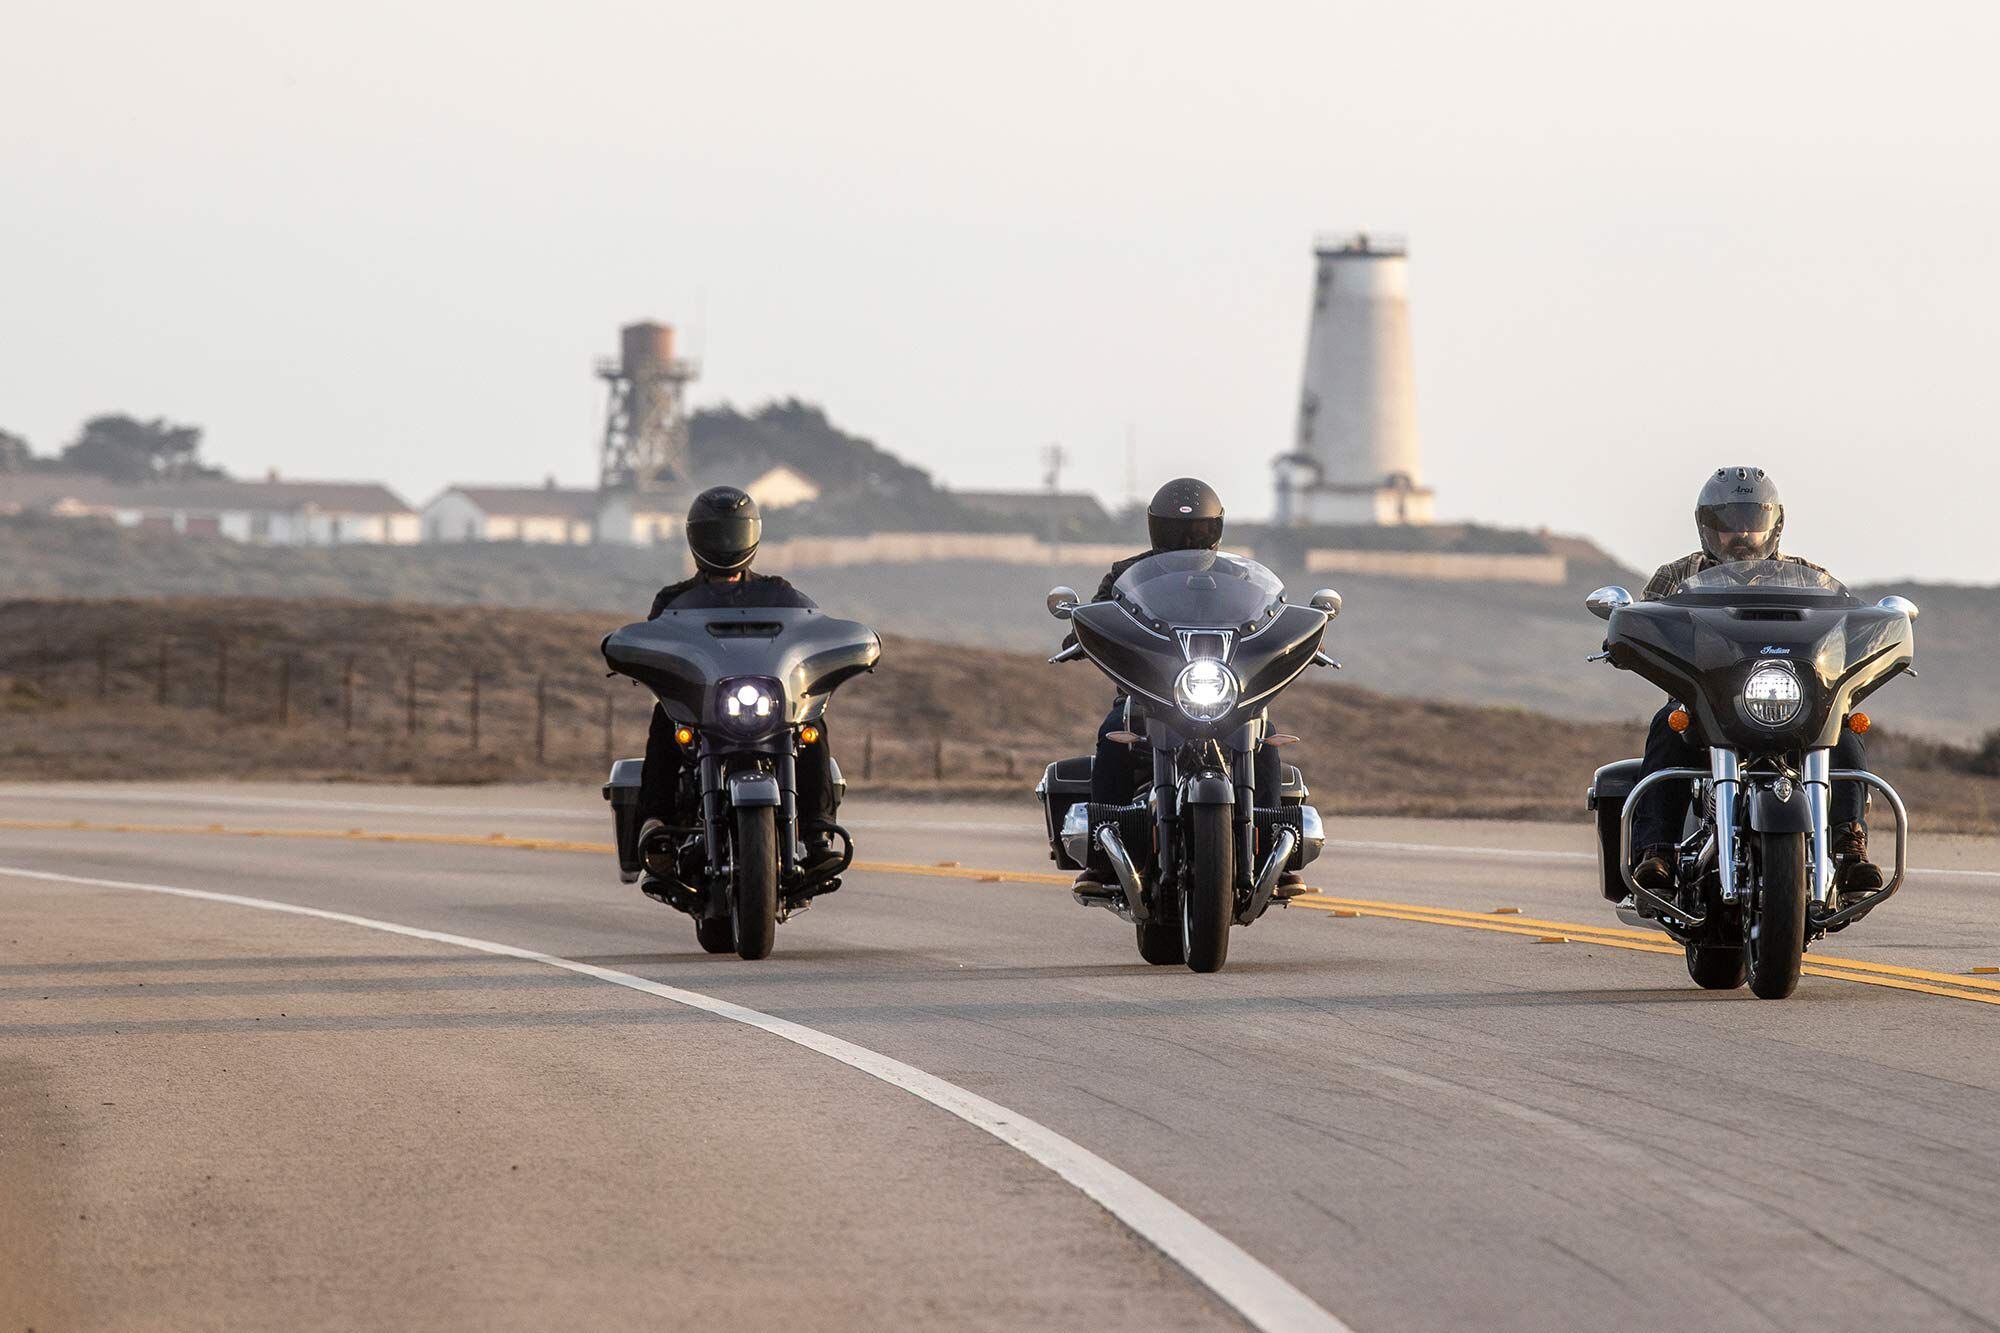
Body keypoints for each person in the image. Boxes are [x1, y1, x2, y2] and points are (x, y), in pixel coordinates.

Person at [1628, 467, 1882, 904]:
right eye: (1727, 525)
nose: (1741, 534)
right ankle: (1657, 852)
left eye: (1752, 521)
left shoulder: (1808, 577)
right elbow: (1643, 620)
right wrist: (1624, 632)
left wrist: (1879, 629)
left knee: (1841, 723)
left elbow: (1846, 623)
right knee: (1667, 726)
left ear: (1774, 524)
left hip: (1793, 703)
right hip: (1706, 703)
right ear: (1707, 527)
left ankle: (1848, 841)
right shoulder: (1675, 576)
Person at [1071, 477, 1289, 891]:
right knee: (1112, 737)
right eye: (1177, 530)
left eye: (1199, 530)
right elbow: (1098, 615)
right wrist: (1081, 633)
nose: (1188, 538)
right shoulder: (1126, 575)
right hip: (1149, 695)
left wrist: (1292, 636)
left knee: (1264, 736)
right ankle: (1102, 858)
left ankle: (1273, 846)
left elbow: (1269, 616)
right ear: (1158, 529)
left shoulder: (1241, 579)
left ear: (1215, 530)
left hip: (1225, 694)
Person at [635, 486, 840, 883]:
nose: (725, 542)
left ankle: (816, 833)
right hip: (705, 705)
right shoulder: (675, 601)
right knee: (665, 718)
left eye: (733, 533)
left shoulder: (780, 594)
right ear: (697, 538)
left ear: (751, 536)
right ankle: (657, 826)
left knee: (811, 723)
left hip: (768, 705)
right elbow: (653, 644)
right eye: (716, 534)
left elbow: (812, 630)